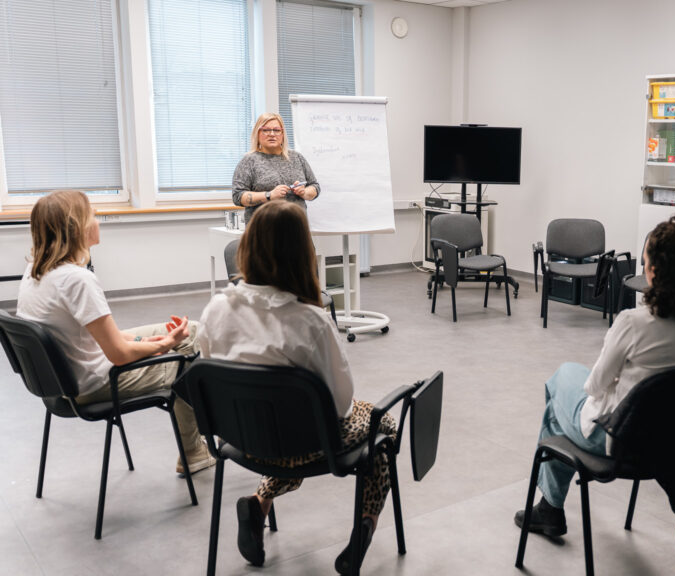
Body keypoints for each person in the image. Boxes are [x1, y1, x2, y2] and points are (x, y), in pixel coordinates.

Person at [196, 201, 395, 575]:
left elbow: (207, 373)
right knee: (383, 430)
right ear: (303, 252)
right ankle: (365, 525)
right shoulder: (311, 321)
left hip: (241, 438)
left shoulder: (215, 310)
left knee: (288, 427)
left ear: (247, 248)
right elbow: (341, 403)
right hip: (305, 443)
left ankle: (259, 503)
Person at [514, 214, 675, 536]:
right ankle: (549, 506)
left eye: (645, 263)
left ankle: (549, 507)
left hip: (622, 442)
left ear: (656, 270)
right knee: (564, 401)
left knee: (562, 382)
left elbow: (594, 386)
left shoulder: (634, 322)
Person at [16, 190, 213, 475]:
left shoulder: (35, 271)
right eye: (93, 216)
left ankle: (196, 443)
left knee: (191, 330)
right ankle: (194, 451)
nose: (97, 221)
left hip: (67, 380)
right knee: (188, 360)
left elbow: (98, 337)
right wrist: (165, 344)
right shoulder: (78, 280)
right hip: (96, 384)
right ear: (77, 228)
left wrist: (145, 342)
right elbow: (118, 355)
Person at [232, 112, 320, 223]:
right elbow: (238, 196)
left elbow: (314, 186)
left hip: (297, 228)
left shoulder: (297, 157)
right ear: (257, 133)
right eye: (266, 130)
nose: (272, 134)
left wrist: (304, 192)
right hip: (263, 229)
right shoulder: (248, 161)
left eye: (277, 130)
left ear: (282, 134)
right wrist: (269, 195)